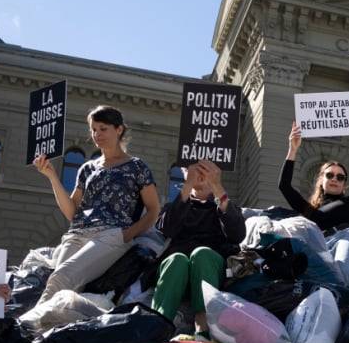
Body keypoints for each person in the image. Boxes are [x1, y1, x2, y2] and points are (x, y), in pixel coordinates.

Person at [33, 105, 160, 304]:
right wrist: (52, 176)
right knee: (60, 286)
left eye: (103, 128)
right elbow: (72, 212)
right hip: (76, 235)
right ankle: (48, 328)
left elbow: (154, 209)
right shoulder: (87, 168)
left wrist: (127, 234)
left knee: (61, 278)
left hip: (110, 236)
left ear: (119, 130)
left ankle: (27, 327)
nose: (96, 134)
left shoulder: (137, 166)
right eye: (93, 129)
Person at [279, 120, 349, 295]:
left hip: (348, 237)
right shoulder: (309, 211)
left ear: (344, 185)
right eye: (330, 175)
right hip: (321, 245)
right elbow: (284, 186)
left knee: (346, 271)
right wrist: (293, 149)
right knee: (321, 286)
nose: (335, 179)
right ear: (322, 179)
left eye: (340, 177)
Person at [150, 159, 245, 329]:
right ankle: (157, 327)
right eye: (193, 168)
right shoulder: (174, 206)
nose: (199, 172)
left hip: (210, 271)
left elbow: (237, 234)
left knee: (202, 254)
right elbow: (167, 228)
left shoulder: (223, 206)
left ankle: (203, 327)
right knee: (176, 259)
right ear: (183, 172)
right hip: (176, 272)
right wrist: (188, 186)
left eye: (205, 168)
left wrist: (217, 186)